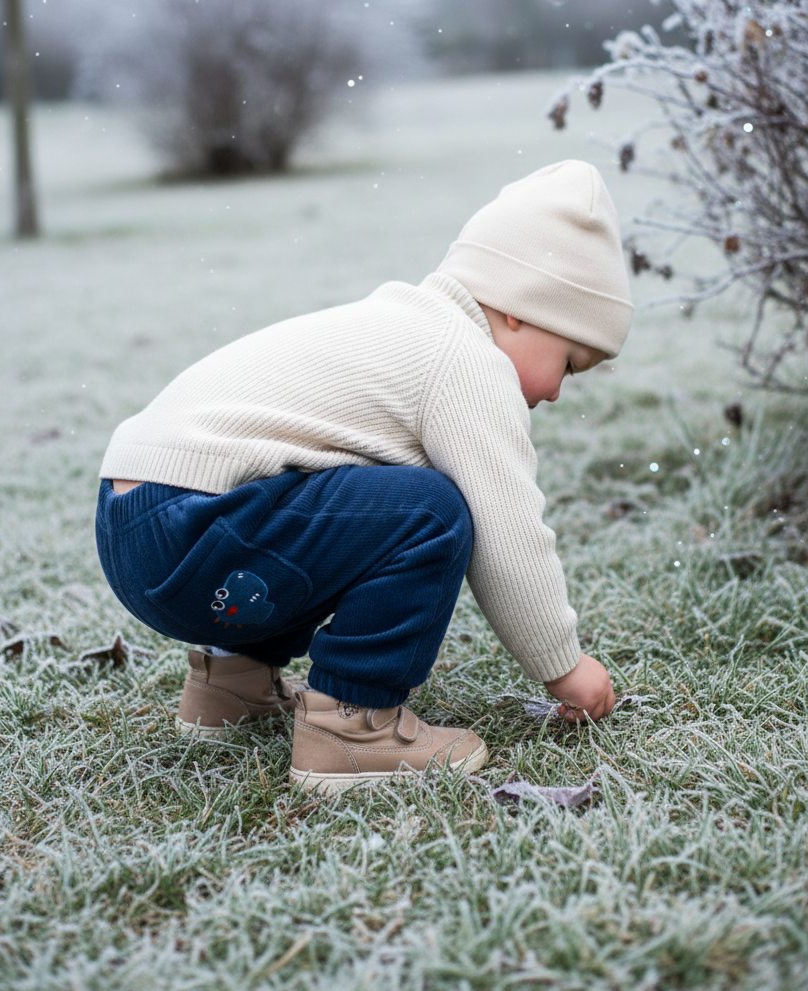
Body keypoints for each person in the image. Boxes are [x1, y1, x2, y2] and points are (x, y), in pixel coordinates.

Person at [95, 159, 633, 794]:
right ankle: (352, 729)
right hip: (198, 529)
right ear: (519, 309)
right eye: (569, 364)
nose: (558, 393)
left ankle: (230, 687)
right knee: (433, 512)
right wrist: (561, 665)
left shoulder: (398, 326)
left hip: (133, 522)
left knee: (340, 507)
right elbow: (510, 535)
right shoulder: (466, 361)